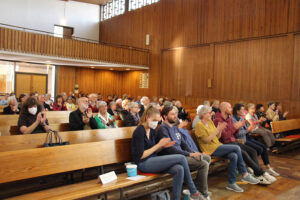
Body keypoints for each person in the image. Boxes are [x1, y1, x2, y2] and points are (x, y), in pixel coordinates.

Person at [131, 105, 203, 200]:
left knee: (179, 169)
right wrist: (158, 145)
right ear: (147, 118)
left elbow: (154, 150)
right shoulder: (139, 131)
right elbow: (141, 155)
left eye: (157, 121)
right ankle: (194, 192)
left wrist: (162, 146)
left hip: (153, 160)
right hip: (143, 163)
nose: (156, 123)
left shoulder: (151, 130)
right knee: (181, 158)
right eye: (154, 120)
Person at [195, 105, 259, 193]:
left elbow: (217, 137)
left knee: (234, 156)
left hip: (217, 145)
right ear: (203, 114)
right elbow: (206, 140)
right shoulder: (199, 125)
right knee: (236, 148)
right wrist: (218, 130)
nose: (211, 114)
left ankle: (231, 183)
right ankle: (244, 173)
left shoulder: (210, 122)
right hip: (209, 149)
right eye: (209, 113)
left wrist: (219, 130)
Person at [156, 106, 211, 199]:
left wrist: (192, 152)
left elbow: (183, 143)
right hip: (173, 157)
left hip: (182, 154)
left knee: (207, 158)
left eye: (176, 114)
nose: (175, 116)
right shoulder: (162, 129)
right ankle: (202, 192)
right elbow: (170, 149)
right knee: (204, 164)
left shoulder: (174, 127)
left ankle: (197, 188)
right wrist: (189, 154)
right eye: (172, 114)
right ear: (165, 116)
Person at [215, 102, 276, 185]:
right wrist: (235, 128)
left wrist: (237, 127)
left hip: (233, 141)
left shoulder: (229, 119)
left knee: (253, 151)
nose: (231, 109)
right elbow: (224, 137)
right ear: (224, 109)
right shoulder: (218, 120)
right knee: (244, 153)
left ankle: (257, 173)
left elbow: (233, 134)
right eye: (229, 107)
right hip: (226, 144)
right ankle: (260, 173)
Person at [233, 103, 280, 177]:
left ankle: (267, 167)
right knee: (257, 149)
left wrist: (248, 129)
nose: (244, 111)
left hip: (246, 136)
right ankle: (255, 169)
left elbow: (246, 129)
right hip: (241, 140)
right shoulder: (234, 119)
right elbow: (237, 134)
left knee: (263, 147)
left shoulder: (242, 118)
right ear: (237, 111)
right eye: (242, 110)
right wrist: (248, 129)